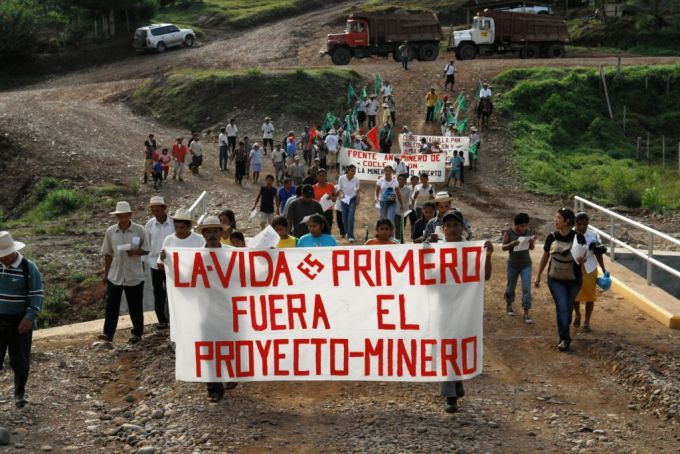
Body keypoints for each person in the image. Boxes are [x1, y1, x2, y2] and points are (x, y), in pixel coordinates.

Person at [439, 209, 493, 413]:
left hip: (464, 307)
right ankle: (450, 395)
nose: (452, 228)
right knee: (447, 348)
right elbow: (426, 279)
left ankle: (456, 384)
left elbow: (485, 276)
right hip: (442, 307)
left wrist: (486, 256)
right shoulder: (437, 249)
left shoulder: (471, 250)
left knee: (458, 346)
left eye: (456, 225)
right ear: (443, 229)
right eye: (448, 225)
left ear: (462, 228)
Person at [0, 231, 44, 408]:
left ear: (13, 251)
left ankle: (19, 393)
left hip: (20, 321)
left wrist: (29, 317)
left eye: (4, 256)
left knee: (20, 360)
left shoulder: (28, 267)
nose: (2, 259)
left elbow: (37, 294)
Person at [534, 208, 586, 352]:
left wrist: (582, 260)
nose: (555, 220)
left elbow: (584, 258)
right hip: (555, 278)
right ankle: (564, 338)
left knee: (567, 308)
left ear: (567, 221)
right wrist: (538, 275)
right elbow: (545, 257)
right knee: (562, 306)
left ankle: (565, 326)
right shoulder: (552, 237)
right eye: (555, 217)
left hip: (574, 279)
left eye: (558, 218)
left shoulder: (578, 237)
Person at [100, 201, 148, 344]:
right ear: (117, 216)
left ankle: (137, 333)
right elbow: (108, 254)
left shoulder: (139, 230)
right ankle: (108, 333)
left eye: (125, 215)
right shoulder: (110, 231)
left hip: (134, 274)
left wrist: (134, 252)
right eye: (120, 215)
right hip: (116, 274)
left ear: (130, 215)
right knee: (112, 305)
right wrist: (106, 273)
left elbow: (146, 248)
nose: (122, 218)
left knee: (135, 306)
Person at [144, 196, 175, 330]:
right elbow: (146, 243)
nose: (155, 213)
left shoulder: (174, 223)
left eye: (158, 209)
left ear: (164, 209)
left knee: (172, 292)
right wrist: (144, 260)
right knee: (158, 292)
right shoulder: (150, 224)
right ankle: (161, 319)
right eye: (153, 210)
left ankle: (173, 318)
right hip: (154, 263)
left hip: (171, 263)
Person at [573, 212, 607, 332]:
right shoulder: (570, 235)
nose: (582, 226)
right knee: (574, 296)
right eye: (579, 224)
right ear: (575, 223)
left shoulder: (594, 235)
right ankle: (577, 314)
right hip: (574, 268)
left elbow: (598, 253)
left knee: (590, 296)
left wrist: (603, 268)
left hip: (590, 268)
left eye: (585, 224)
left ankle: (587, 321)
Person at [502, 213, 536, 323]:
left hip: (526, 264)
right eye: (522, 226)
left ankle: (526, 313)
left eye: (526, 225)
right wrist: (511, 244)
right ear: (516, 225)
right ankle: (509, 304)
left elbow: (531, 248)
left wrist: (531, 242)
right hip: (513, 264)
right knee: (511, 286)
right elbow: (503, 247)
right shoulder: (509, 232)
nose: (524, 228)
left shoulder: (528, 232)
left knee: (527, 288)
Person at [338, 164, 361, 243]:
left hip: (352, 199)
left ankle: (351, 236)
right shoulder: (341, 178)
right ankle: (347, 232)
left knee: (351, 217)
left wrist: (358, 198)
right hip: (344, 199)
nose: (353, 172)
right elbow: (339, 188)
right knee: (344, 218)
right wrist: (342, 194)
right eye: (352, 171)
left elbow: (357, 190)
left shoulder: (357, 179)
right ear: (348, 170)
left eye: (354, 171)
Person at [394, 173, 412, 244]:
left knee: (402, 227)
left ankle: (401, 241)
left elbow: (410, 198)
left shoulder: (408, 189)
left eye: (403, 179)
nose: (401, 181)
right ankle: (397, 241)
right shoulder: (394, 188)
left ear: (405, 181)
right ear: (397, 180)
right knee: (397, 226)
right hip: (395, 210)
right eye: (400, 179)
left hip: (404, 211)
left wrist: (410, 205)